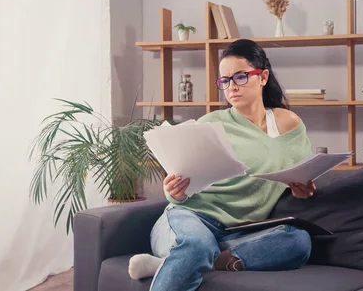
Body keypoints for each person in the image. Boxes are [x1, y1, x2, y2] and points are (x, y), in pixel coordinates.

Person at [127, 38, 317, 291]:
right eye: (225, 81)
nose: (231, 87)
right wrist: (173, 191)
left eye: (240, 77)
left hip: (239, 232)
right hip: (190, 216)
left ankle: (178, 261)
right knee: (196, 244)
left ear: (263, 77)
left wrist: (302, 189)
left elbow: (302, 174)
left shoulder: (290, 124)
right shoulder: (211, 124)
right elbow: (179, 179)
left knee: (298, 241)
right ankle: (190, 255)